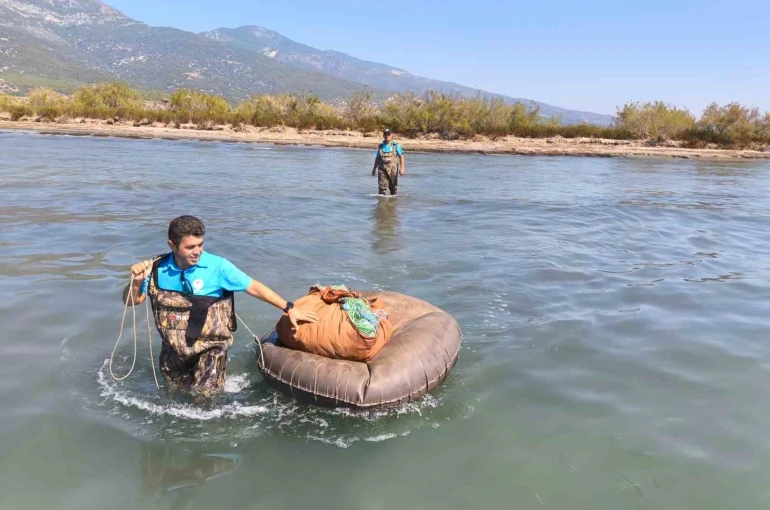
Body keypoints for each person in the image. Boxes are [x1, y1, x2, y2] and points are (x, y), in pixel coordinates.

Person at [122, 215, 318, 394]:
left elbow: (254, 287)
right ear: (172, 245)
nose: (197, 251)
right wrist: (137, 282)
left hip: (210, 350)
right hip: (173, 352)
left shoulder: (218, 267)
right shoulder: (156, 267)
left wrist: (289, 308)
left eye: (200, 244)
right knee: (173, 396)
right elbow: (131, 301)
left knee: (205, 401)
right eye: (190, 247)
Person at [371, 128, 405, 195]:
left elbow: (401, 156)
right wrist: (374, 169)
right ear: (383, 136)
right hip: (382, 170)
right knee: (381, 189)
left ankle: (392, 201)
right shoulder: (380, 146)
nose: (387, 136)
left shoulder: (396, 145)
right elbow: (377, 158)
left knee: (393, 189)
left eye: (388, 134)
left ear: (391, 135)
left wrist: (402, 168)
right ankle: (381, 201)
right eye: (385, 134)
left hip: (393, 170)